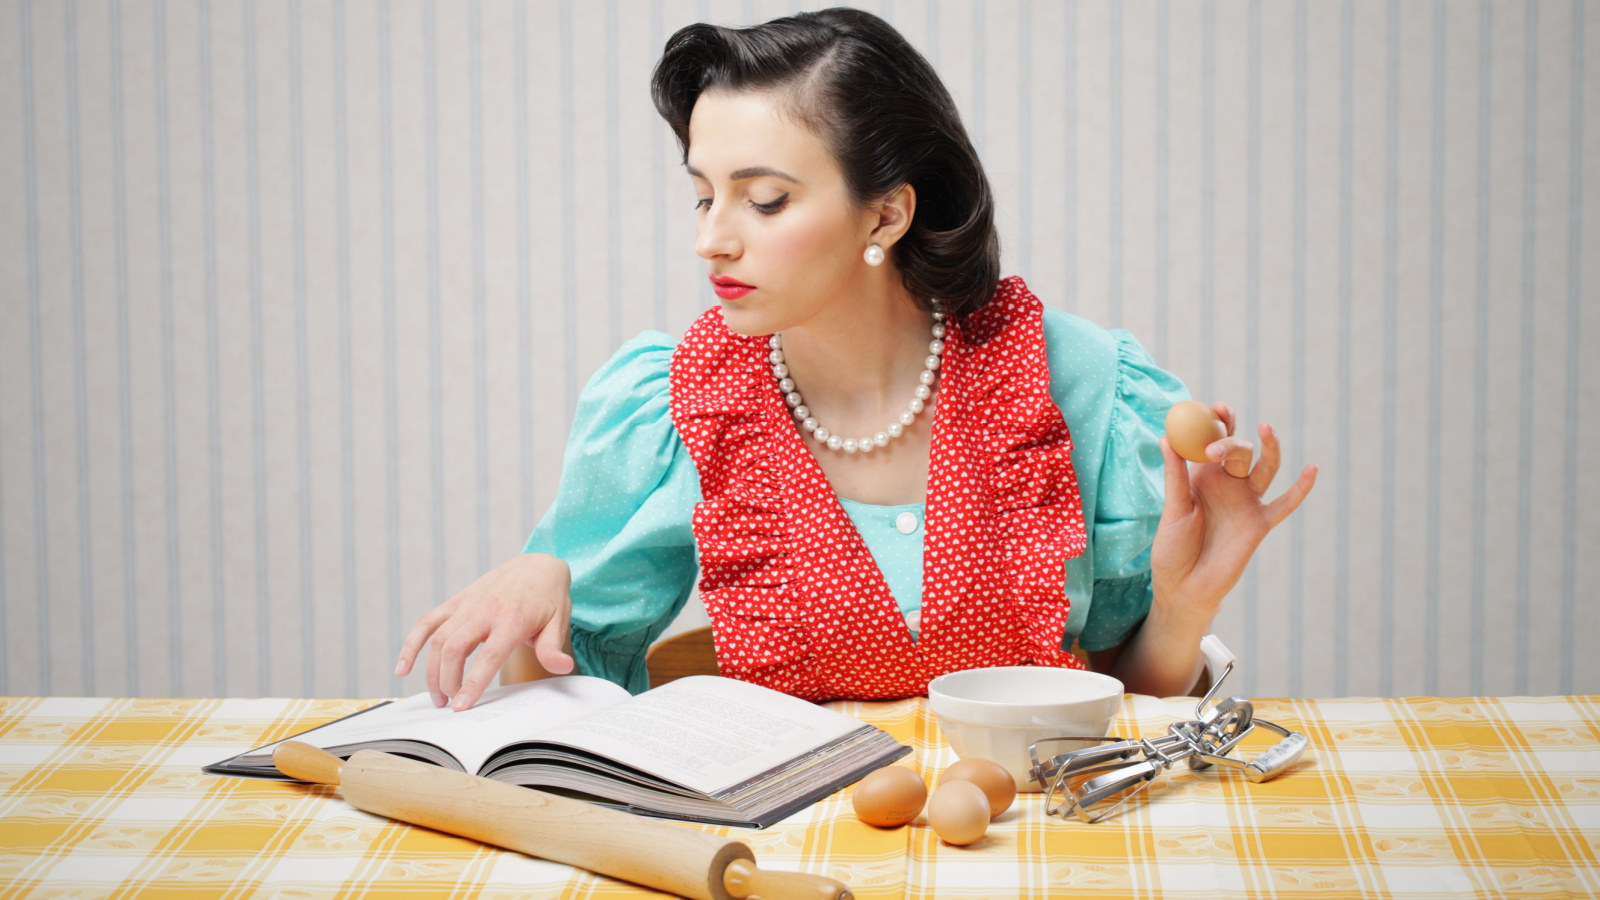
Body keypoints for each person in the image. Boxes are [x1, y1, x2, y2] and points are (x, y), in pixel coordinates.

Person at [393, 8, 1317, 711]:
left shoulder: (1074, 383)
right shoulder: (673, 405)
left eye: (763, 200)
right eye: (703, 195)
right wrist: (541, 583)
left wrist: (1185, 608)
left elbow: (1116, 727)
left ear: (886, 214)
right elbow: (569, 725)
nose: (712, 240)